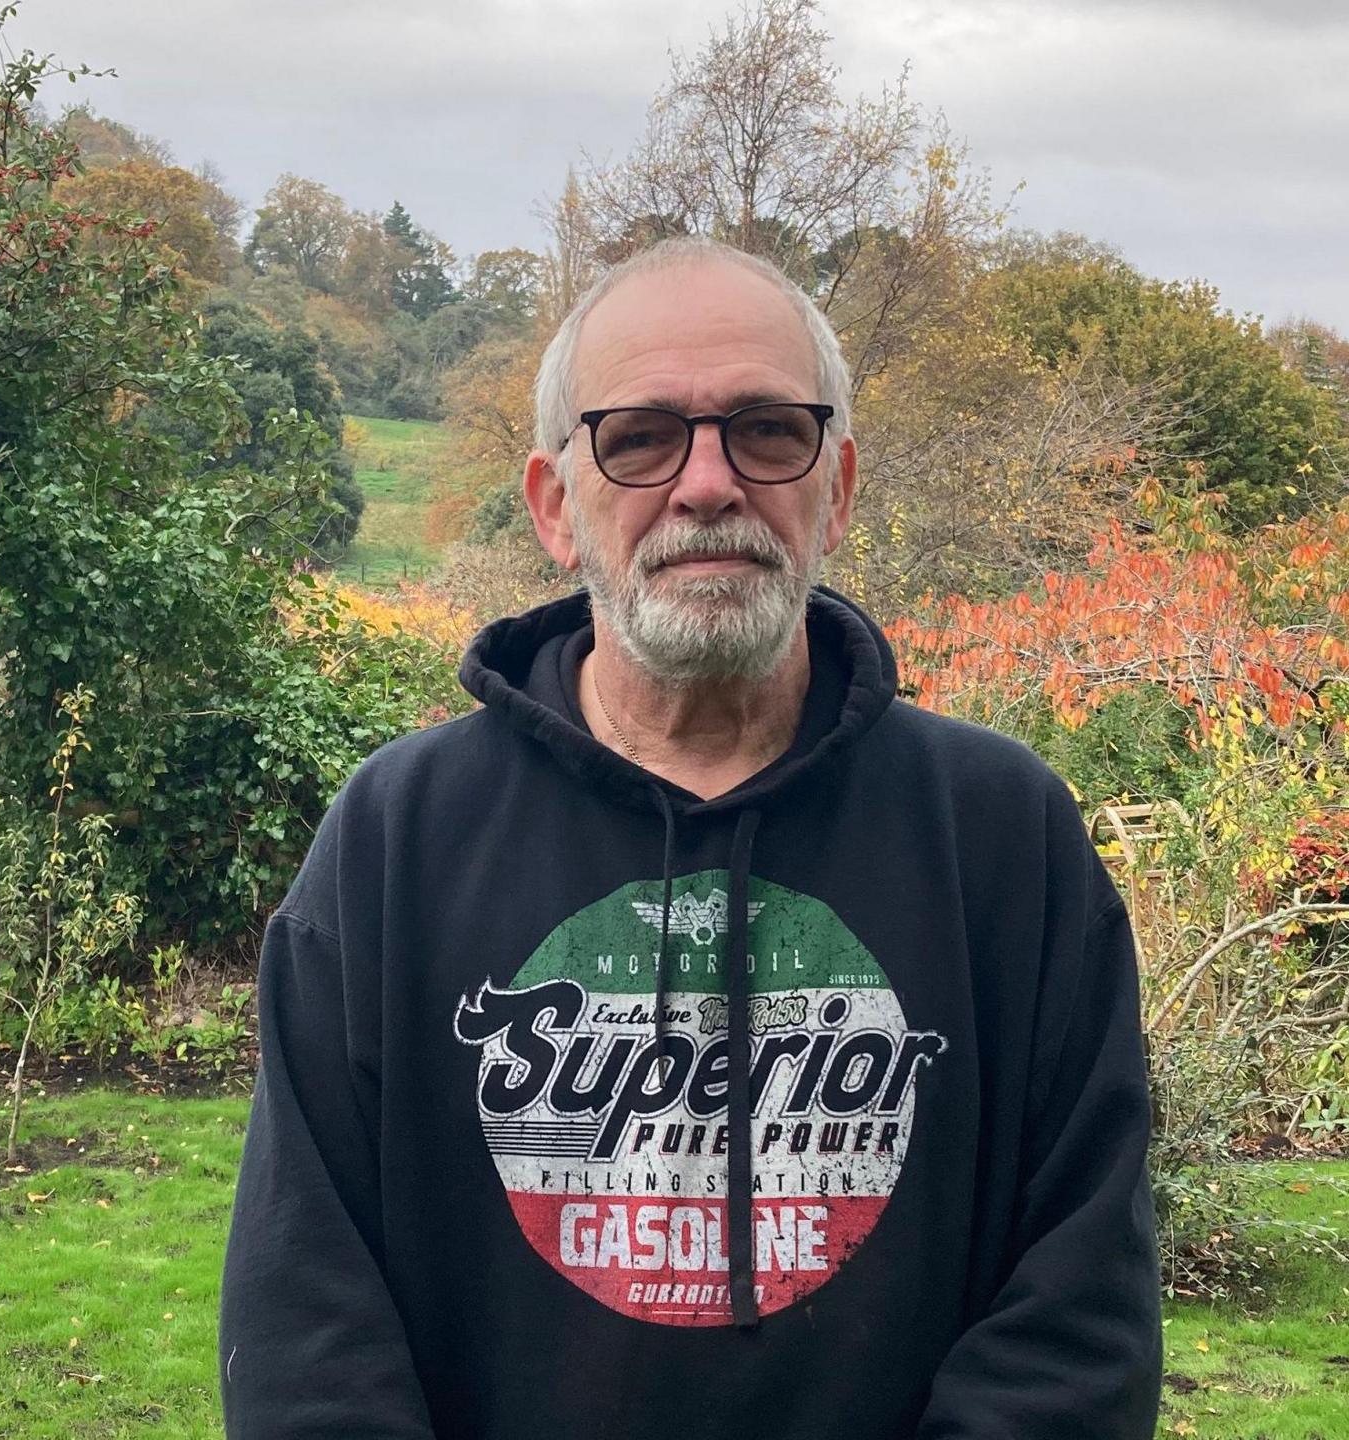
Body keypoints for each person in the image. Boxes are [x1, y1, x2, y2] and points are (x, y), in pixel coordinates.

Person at [220, 237, 1161, 1438]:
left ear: (837, 487)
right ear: (555, 505)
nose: (708, 483)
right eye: (640, 436)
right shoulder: (396, 840)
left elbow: (1077, 1315)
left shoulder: (1000, 836)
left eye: (767, 430)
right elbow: (306, 1321)